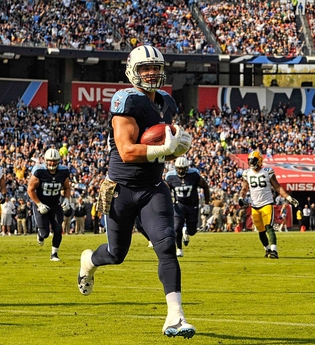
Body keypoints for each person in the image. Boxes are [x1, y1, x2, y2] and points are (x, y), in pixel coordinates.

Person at [77, 45, 195, 338]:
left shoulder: (167, 101)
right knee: (117, 254)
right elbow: (128, 152)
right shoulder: (125, 100)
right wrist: (163, 149)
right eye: (145, 69)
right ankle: (89, 262)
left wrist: (176, 147)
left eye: (156, 67)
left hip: (153, 188)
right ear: (133, 71)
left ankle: (175, 316)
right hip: (121, 188)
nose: (152, 73)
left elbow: (163, 150)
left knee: (167, 245)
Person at [239, 150, 299, 259]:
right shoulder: (246, 173)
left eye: (253, 160)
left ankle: (274, 251)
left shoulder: (267, 171)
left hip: (267, 203)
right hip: (254, 205)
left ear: (260, 160)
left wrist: (288, 197)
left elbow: (277, 187)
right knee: (261, 231)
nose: (251, 162)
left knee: (269, 227)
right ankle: (267, 249)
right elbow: (244, 188)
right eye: (250, 160)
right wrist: (240, 197)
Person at [27, 148, 71, 262]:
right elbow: (30, 190)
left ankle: (54, 254)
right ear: (45, 160)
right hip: (41, 203)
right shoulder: (39, 171)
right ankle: (40, 234)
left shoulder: (63, 171)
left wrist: (66, 199)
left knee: (57, 228)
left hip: (55, 204)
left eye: (54, 160)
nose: (52, 163)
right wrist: (39, 204)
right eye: (50, 160)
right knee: (45, 233)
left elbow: (67, 187)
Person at [164, 156, 210, 257]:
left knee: (192, 231)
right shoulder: (170, 176)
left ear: (187, 167)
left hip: (192, 205)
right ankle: (179, 249)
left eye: (183, 168)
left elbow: (205, 186)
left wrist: (207, 204)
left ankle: (187, 231)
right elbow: (166, 192)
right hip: (179, 205)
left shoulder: (193, 174)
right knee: (176, 228)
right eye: (179, 168)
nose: (180, 170)